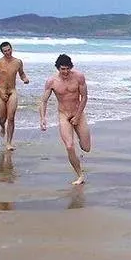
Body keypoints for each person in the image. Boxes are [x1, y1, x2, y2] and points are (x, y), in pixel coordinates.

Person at [39, 54, 92, 185]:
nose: (66, 72)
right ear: (58, 68)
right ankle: (80, 175)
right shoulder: (51, 81)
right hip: (63, 115)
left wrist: (78, 116)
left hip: (78, 113)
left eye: (68, 68)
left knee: (86, 148)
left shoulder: (79, 77)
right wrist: (42, 118)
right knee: (69, 146)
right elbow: (43, 101)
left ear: (71, 67)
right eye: (63, 69)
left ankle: (80, 139)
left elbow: (84, 97)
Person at [0, 41, 29, 150]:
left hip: (12, 92)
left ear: (12, 49)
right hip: (0, 92)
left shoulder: (18, 62)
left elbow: (21, 73)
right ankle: (2, 127)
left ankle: (9, 142)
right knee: (2, 119)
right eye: (5, 51)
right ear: (2, 52)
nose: (8, 52)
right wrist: (1, 94)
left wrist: (24, 79)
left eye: (9, 50)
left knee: (11, 118)